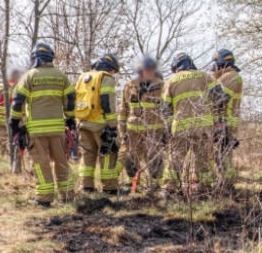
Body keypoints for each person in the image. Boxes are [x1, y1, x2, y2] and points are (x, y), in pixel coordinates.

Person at [10, 42, 76, 207]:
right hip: (57, 129)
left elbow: (18, 102)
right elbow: (70, 100)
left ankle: (45, 198)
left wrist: (14, 123)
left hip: (36, 131)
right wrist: (70, 119)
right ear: (50, 58)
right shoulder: (61, 76)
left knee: (41, 163)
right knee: (61, 161)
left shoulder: (29, 76)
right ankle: (67, 195)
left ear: (35, 58)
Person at [161, 52, 219, 195]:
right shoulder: (205, 77)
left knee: (175, 159)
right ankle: (204, 189)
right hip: (203, 127)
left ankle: (169, 190)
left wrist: (167, 129)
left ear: (176, 67)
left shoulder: (171, 81)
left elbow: (165, 109)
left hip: (180, 127)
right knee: (203, 159)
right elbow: (221, 97)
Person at [74, 53, 121, 194]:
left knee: (87, 156)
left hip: (83, 123)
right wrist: (113, 126)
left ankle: (86, 187)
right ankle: (109, 188)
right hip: (101, 125)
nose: (113, 73)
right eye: (113, 70)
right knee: (107, 155)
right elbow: (108, 102)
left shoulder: (83, 77)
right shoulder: (106, 78)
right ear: (109, 68)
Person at [119, 56, 165, 194]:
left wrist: (167, 131)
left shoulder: (162, 86)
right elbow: (123, 110)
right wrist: (122, 131)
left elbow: (168, 107)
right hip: (133, 131)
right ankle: (132, 183)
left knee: (155, 157)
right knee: (131, 157)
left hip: (154, 131)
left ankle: (155, 184)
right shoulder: (130, 86)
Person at [211, 49, 243, 187]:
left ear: (222, 64)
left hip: (225, 121)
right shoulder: (226, 76)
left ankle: (227, 184)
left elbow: (218, 99)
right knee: (220, 154)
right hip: (224, 120)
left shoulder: (231, 77)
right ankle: (224, 181)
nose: (215, 66)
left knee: (222, 154)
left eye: (217, 64)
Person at [0, 69, 22, 155]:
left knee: (2, 139)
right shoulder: (10, 89)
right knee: (3, 139)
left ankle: (2, 156)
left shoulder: (2, 87)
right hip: (3, 118)